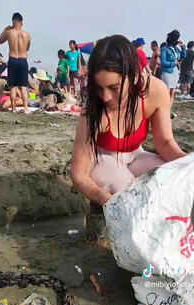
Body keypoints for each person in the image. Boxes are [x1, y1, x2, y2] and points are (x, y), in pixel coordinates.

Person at [70, 35, 186, 208]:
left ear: (133, 75)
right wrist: (103, 198)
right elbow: (79, 174)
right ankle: (97, 217)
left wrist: (187, 165)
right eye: (99, 88)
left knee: (169, 180)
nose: (106, 97)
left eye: (114, 88)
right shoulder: (93, 112)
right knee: (129, 195)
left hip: (136, 154)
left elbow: (165, 142)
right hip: (103, 158)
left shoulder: (155, 91)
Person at [0, 12, 31, 114]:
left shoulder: (9, 32)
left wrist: (5, 29)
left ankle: (13, 108)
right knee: (23, 87)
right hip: (23, 60)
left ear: (13, 21)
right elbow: (27, 48)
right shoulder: (27, 34)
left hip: (12, 60)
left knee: (13, 86)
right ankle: (26, 109)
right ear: (22, 22)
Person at [160, 30, 186, 115]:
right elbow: (163, 62)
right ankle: (163, 109)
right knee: (166, 92)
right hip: (167, 72)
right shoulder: (164, 49)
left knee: (172, 92)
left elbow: (183, 56)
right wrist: (173, 63)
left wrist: (183, 47)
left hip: (175, 72)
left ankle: (168, 110)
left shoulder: (176, 49)